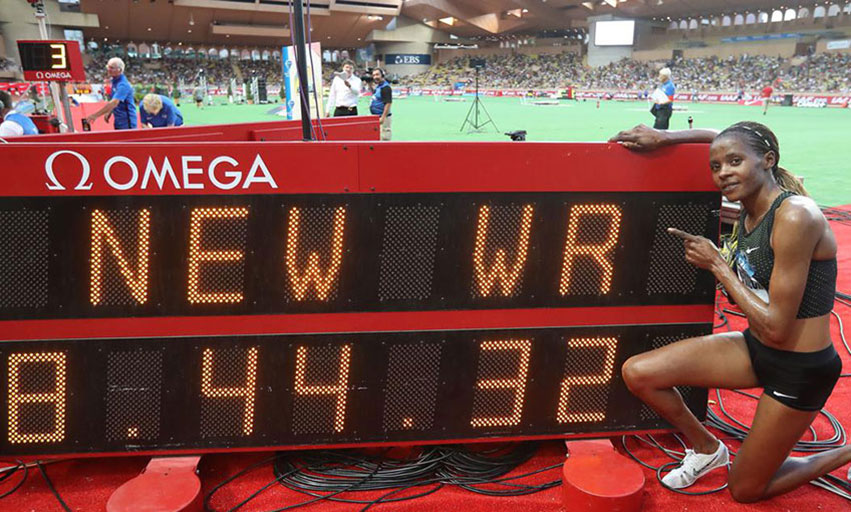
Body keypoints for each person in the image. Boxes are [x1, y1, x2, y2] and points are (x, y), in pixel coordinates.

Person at [609, 122, 850, 502]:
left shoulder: (793, 216)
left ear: (768, 160)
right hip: (757, 348)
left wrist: (718, 265)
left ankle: (846, 453)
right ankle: (707, 450)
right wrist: (668, 138)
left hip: (799, 369)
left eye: (734, 162)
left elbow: (777, 330)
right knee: (639, 373)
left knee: (745, 489)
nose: (723, 173)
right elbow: (729, 138)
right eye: (716, 166)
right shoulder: (747, 209)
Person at [85, 57, 137, 130]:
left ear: (120, 70)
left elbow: (114, 102)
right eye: (108, 67)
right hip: (119, 120)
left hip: (127, 122)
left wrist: (95, 115)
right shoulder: (114, 81)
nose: (109, 69)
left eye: (112, 68)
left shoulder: (123, 85)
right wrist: (109, 111)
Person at [369, 68, 392, 141]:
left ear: (382, 75)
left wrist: (383, 117)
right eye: (374, 75)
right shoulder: (379, 86)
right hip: (376, 117)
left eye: (377, 74)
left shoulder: (386, 87)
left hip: (383, 117)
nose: (375, 77)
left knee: (384, 137)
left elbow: (388, 103)